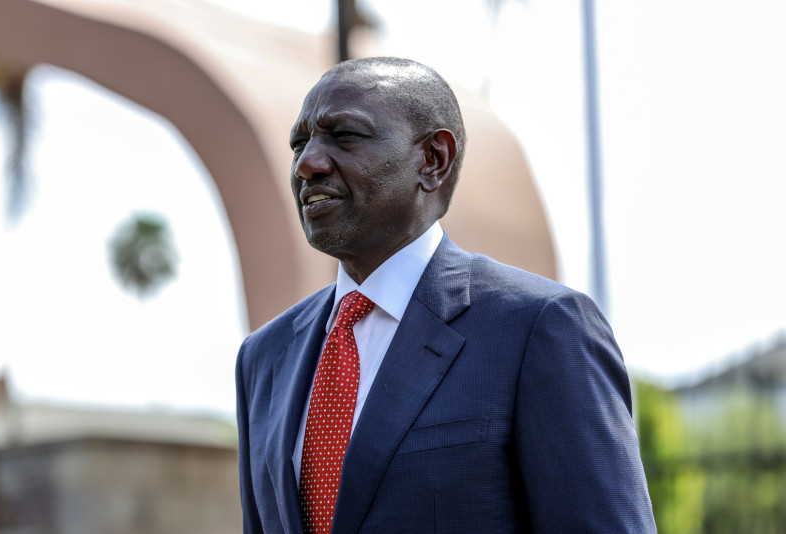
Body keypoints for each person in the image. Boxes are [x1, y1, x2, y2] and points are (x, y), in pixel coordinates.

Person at [236, 57, 656, 534]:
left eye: (345, 135)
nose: (307, 163)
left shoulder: (539, 328)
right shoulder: (264, 357)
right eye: (299, 144)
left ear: (433, 159)